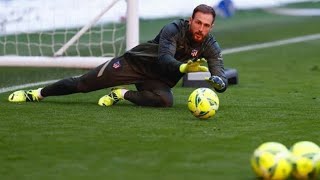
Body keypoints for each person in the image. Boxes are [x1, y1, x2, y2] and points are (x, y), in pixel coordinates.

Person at [8, 4, 227, 107]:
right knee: (83, 84)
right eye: (198, 22)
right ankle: (36, 94)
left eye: (206, 25)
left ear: (212, 26)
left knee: (165, 101)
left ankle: (121, 95)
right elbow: (164, 59)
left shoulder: (210, 44)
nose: (201, 28)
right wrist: (183, 69)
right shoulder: (173, 29)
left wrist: (218, 82)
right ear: (191, 20)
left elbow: (220, 73)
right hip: (133, 64)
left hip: (156, 79)